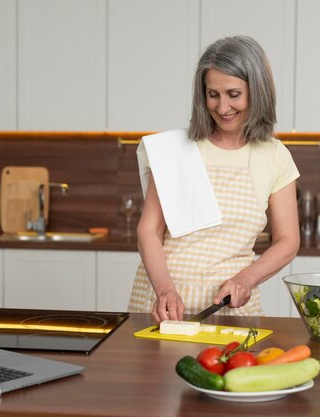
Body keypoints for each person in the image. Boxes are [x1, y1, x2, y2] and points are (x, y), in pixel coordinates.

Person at [128, 35, 300, 323]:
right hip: (164, 304)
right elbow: (149, 230)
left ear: (257, 92)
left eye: (234, 94)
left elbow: (288, 240)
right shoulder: (173, 149)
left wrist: (248, 278)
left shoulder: (274, 156)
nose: (222, 107)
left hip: (230, 305)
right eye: (213, 94)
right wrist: (165, 290)